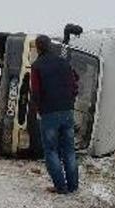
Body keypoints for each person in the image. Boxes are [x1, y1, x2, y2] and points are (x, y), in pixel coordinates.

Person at [30, 35, 79, 194]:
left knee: (51, 150)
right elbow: (74, 82)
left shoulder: (37, 66)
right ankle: (73, 186)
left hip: (49, 113)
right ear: (50, 45)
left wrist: (39, 109)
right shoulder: (64, 62)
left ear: (38, 47)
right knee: (69, 150)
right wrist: (70, 101)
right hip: (67, 111)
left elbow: (36, 91)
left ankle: (60, 187)